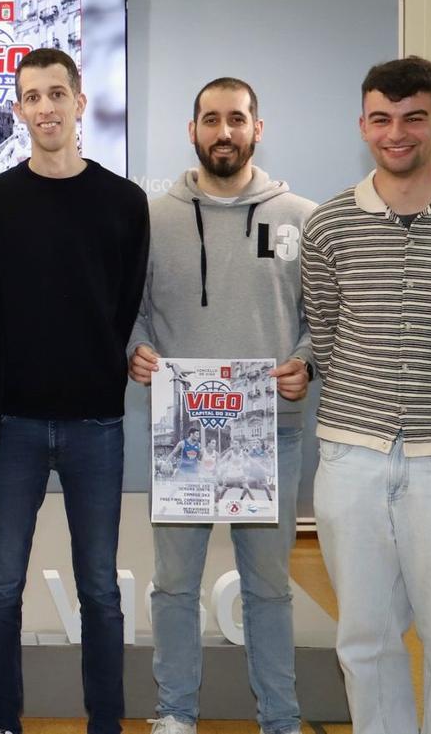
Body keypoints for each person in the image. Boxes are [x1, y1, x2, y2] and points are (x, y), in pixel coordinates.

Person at [302, 56, 431, 734]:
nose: (397, 132)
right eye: (382, 118)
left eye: (414, 117)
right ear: (363, 125)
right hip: (352, 458)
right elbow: (325, 335)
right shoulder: (327, 227)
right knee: (365, 642)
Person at [128, 76, 314, 734]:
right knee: (174, 587)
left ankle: (280, 718)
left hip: (271, 431)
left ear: (256, 128)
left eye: (237, 118)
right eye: (211, 119)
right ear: (193, 130)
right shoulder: (153, 217)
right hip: (183, 428)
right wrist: (137, 347)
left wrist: (306, 360)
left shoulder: (301, 216)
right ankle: (176, 713)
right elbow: (132, 309)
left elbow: (323, 315)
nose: (224, 131)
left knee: (268, 589)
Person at [0, 47, 149, 734]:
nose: (45, 107)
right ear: (18, 109)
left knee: (101, 590)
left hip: (94, 425)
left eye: (57, 93)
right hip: (13, 423)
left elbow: (124, 302)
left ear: (80, 102)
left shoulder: (123, 200)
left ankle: (105, 721)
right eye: (32, 96)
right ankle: (1, 723)